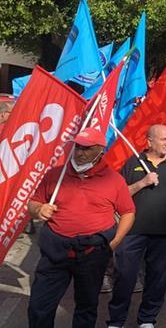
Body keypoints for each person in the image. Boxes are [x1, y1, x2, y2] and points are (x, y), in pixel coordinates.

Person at [27, 128, 136, 328]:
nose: (80, 152)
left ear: (100, 151)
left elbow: (128, 212)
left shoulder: (114, 180)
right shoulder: (55, 174)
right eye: (78, 146)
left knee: (86, 307)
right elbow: (33, 203)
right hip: (55, 252)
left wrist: (115, 242)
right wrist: (38, 209)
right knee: (39, 306)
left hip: (92, 252)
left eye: (87, 148)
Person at [107, 124, 166, 328]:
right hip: (132, 232)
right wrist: (142, 183)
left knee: (158, 278)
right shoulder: (133, 163)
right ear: (149, 142)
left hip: (165, 233)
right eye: (163, 139)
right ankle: (116, 321)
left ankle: (147, 319)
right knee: (125, 277)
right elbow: (118, 195)